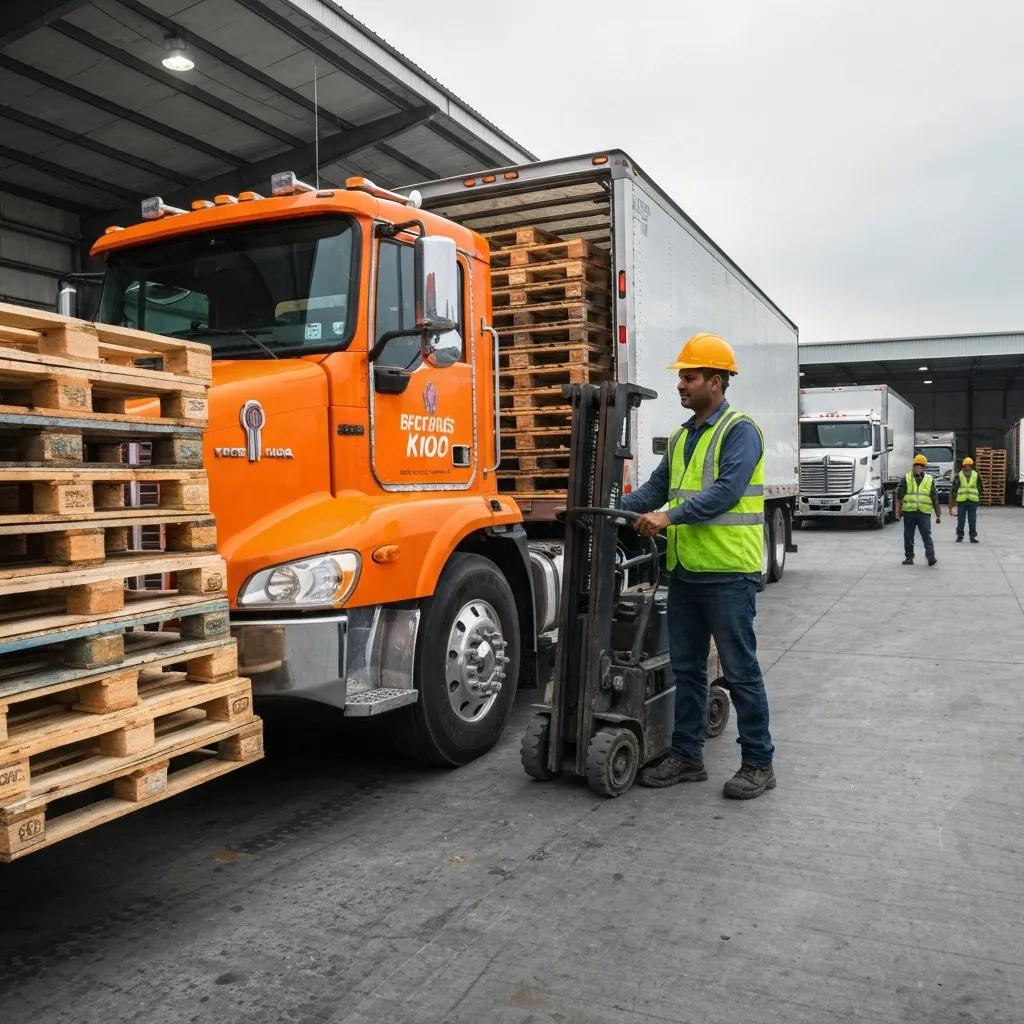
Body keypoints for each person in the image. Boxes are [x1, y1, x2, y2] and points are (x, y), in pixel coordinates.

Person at [619, 332, 775, 800]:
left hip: (729, 573)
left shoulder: (740, 431)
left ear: (716, 381)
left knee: (739, 671)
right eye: (682, 378)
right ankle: (688, 756)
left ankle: (758, 763)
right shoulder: (686, 435)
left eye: (689, 377)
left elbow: (726, 492)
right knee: (686, 668)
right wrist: (612, 510)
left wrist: (666, 516)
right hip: (686, 571)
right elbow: (656, 488)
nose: (681, 385)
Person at [896, 454, 941, 565]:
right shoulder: (906, 478)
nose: (919, 468)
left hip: (924, 512)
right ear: (913, 466)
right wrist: (898, 511)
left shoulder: (929, 480)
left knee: (926, 534)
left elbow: (934, 497)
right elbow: (899, 495)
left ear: (924, 467)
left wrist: (938, 514)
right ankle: (909, 557)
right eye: (917, 465)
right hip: (909, 512)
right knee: (908, 535)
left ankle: (931, 557)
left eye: (921, 466)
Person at [949, 456, 983, 543]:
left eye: (969, 465)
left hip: (972, 501)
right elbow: (954, 489)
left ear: (971, 466)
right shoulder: (958, 475)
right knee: (961, 520)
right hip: (962, 501)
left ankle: (972, 536)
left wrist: (978, 497)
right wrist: (952, 504)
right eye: (966, 465)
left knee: (972, 520)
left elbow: (980, 487)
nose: (967, 467)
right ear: (963, 466)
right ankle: (960, 536)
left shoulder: (976, 475)